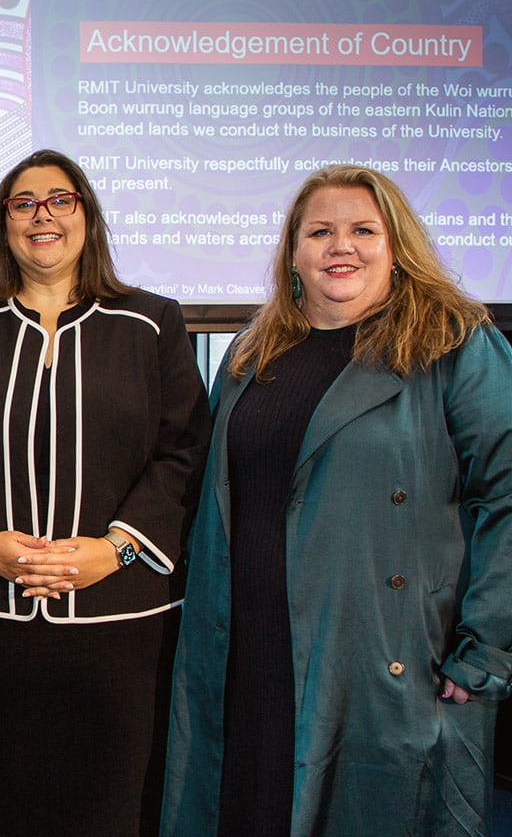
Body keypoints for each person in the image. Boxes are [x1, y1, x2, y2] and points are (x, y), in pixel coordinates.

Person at [162, 164, 512, 836]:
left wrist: (485, 649)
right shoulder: (250, 355)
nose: (340, 246)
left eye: (362, 230)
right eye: (319, 231)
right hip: (246, 659)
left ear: (397, 246)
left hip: (381, 664)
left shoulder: (454, 346)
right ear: (293, 252)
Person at [0, 149, 211, 836]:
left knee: (109, 809)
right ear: (4, 223)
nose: (42, 215)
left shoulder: (151, 320)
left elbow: (183, 451)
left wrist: (116, 550)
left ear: (87, 215)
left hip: (118, 629)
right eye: (24, 203)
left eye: (60, 199)